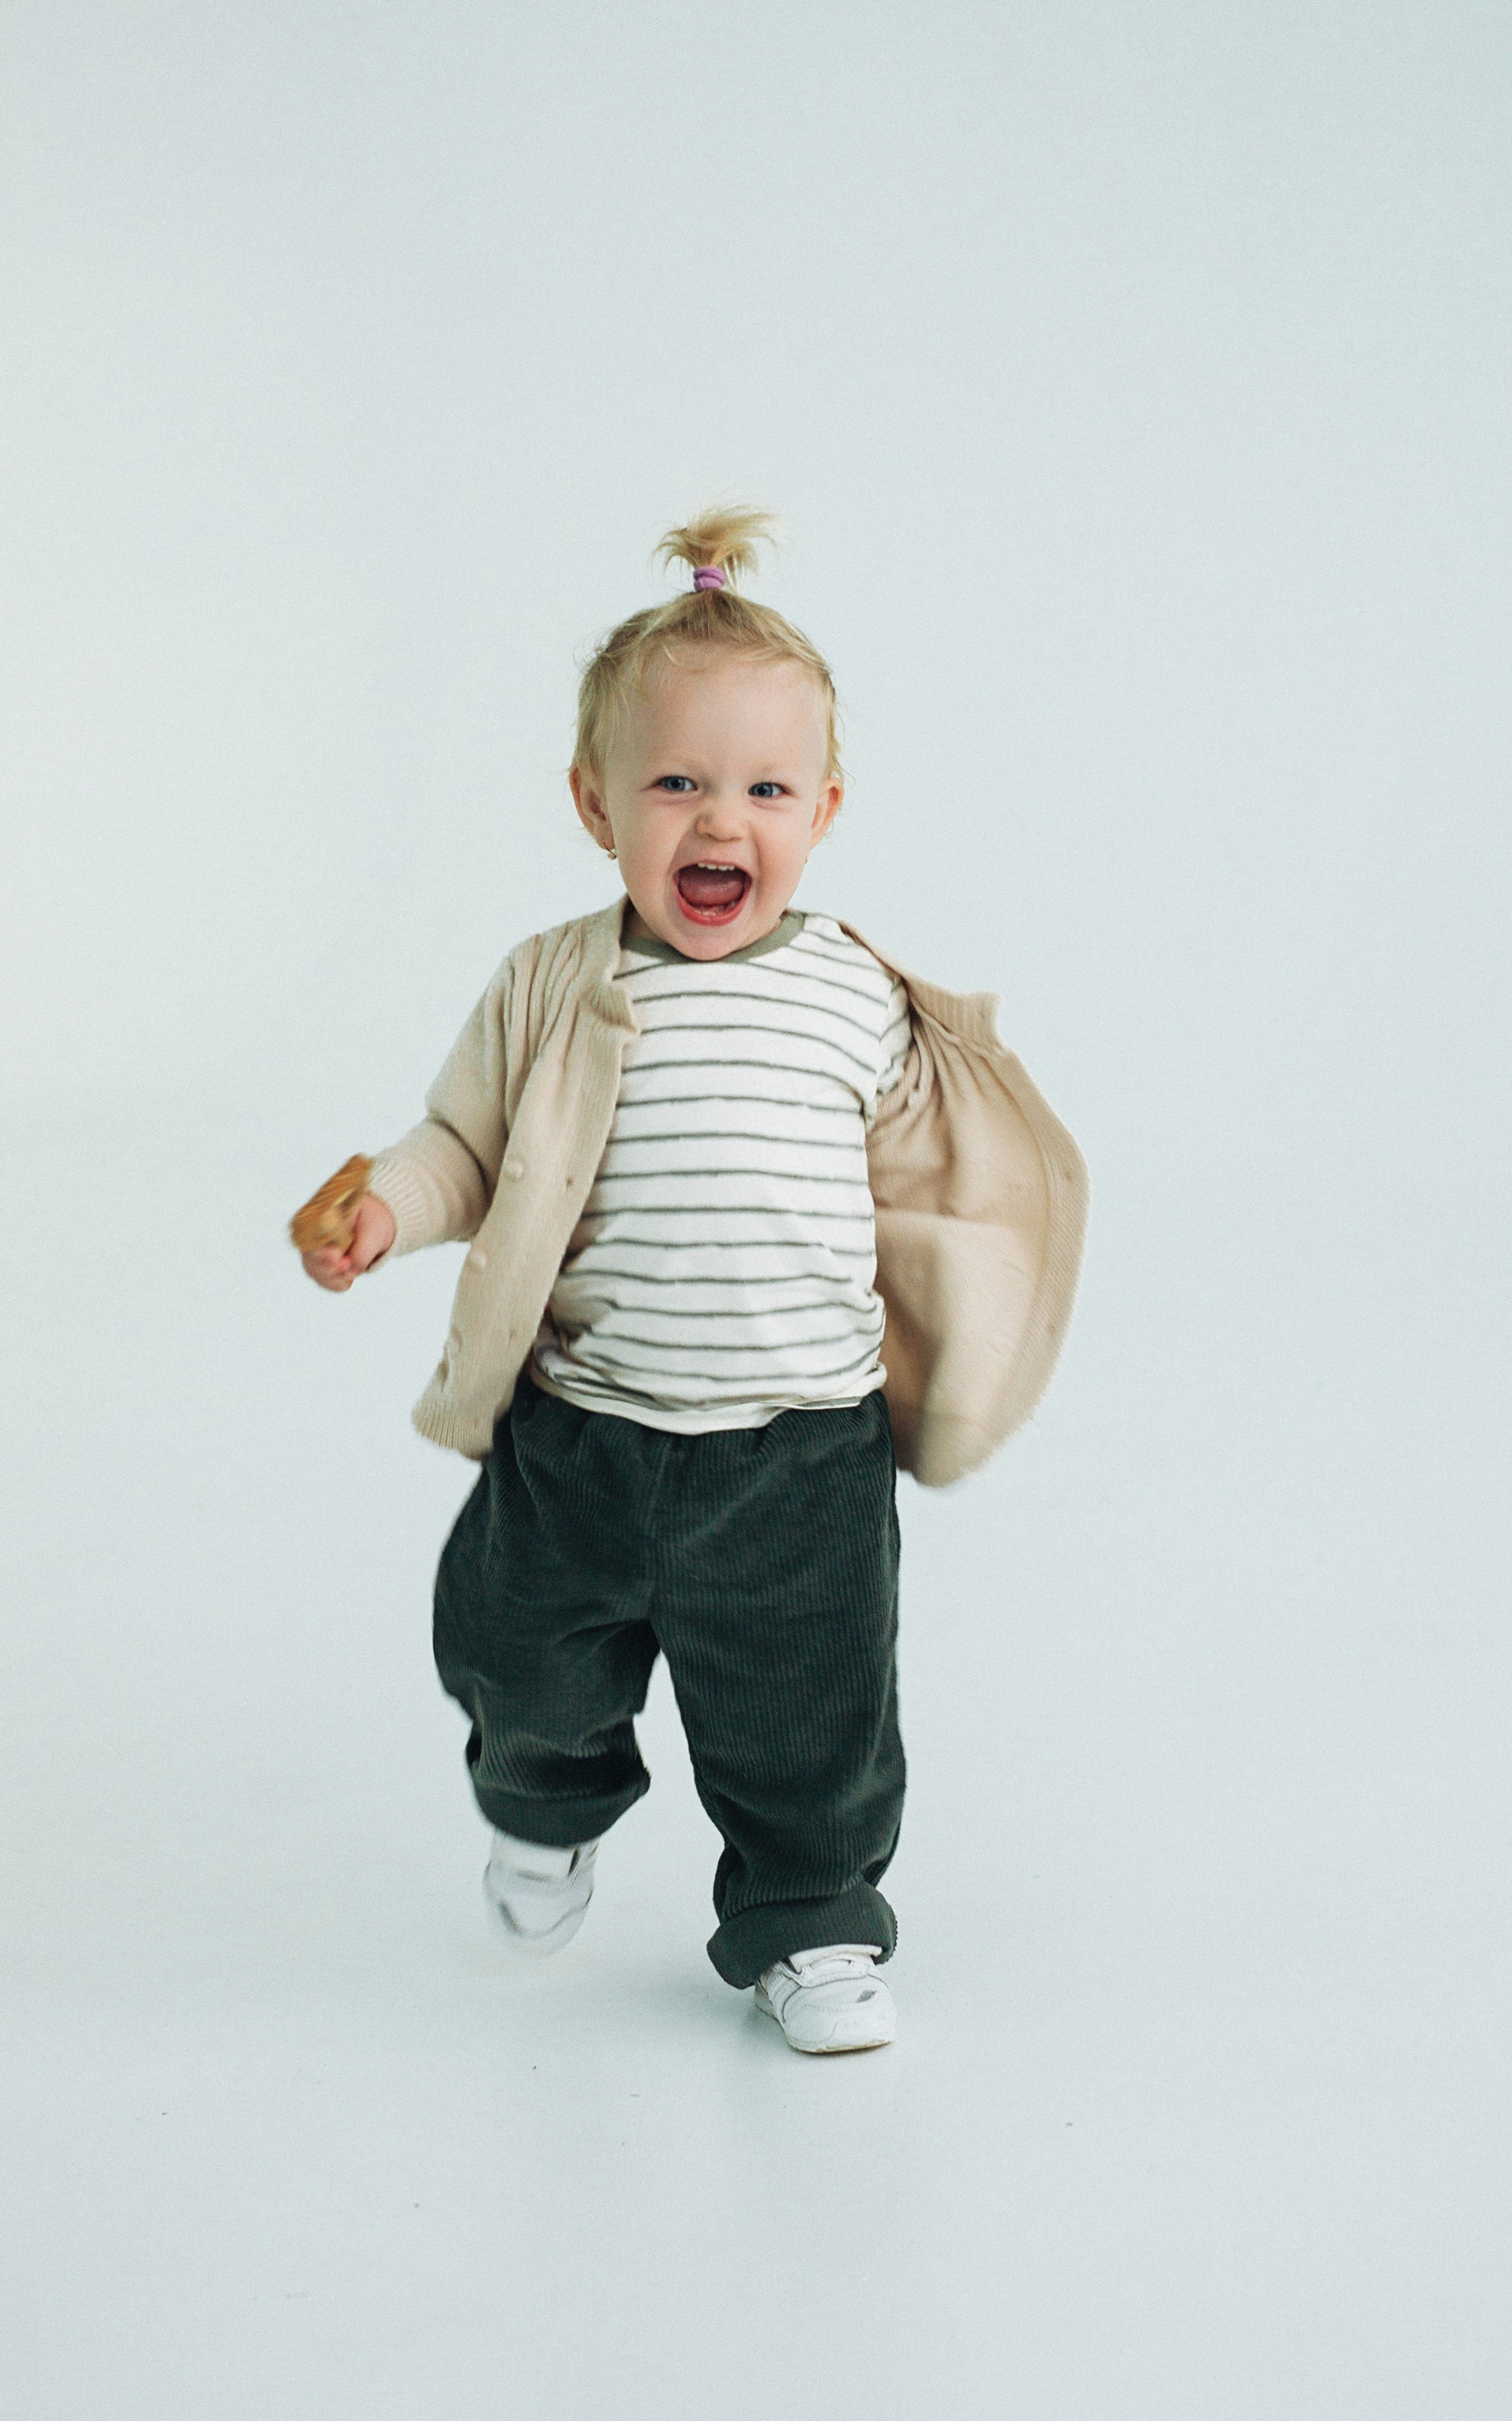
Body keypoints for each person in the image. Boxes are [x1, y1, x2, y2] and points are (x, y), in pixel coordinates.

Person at [295, 509, 1088, 2054]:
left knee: (811, 1713)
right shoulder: (550, 979)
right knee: (517, 1657)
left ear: (823, 810)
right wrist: (387, 1206)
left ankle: (811, 1919)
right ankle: (543, 1807)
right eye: (675, 784)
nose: (720, 821)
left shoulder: (855, 994)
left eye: (765, 790)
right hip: (583, 1432)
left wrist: (956, 1327)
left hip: (796, 1449)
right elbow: (466, 1144)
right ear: (593, 803)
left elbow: (928, 1187)